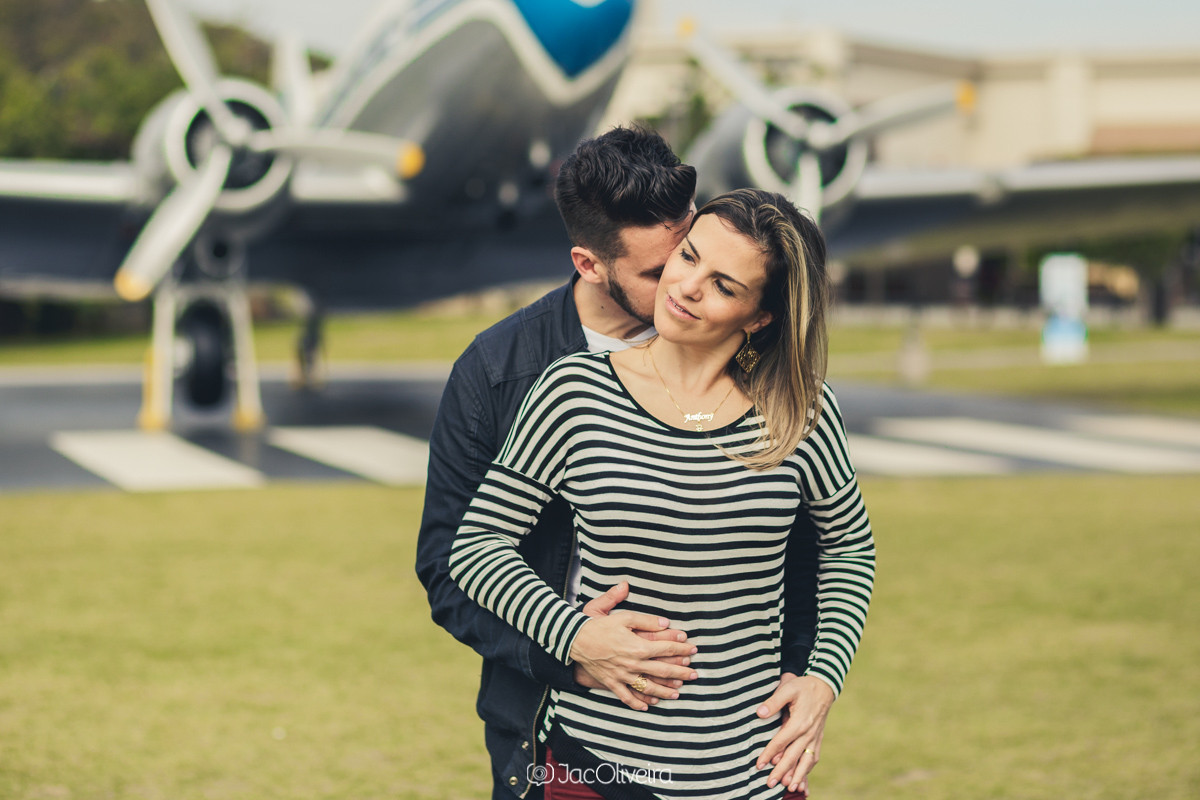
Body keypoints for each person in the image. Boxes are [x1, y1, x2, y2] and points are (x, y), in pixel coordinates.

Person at [416, 127, 825, 798]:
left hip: (739, 752)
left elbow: (815, 545)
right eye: (661, 270)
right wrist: (575, 649)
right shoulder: (500, 374)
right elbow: (450, 565)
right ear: (589, 265)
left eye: (692, 252)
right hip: (560, 734)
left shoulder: (762, 372)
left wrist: (811, 677)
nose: (684, 285)